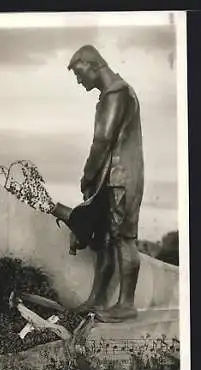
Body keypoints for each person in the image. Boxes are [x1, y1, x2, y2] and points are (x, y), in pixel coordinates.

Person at [67, 45, 144, 322]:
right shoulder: (114, 94)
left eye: (79, 73)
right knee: (107, 240)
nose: (79, 80)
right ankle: (96, 299)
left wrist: (88, 174)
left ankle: (126, 304)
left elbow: (103, 139)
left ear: (92, 64)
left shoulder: (117, 92)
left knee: (123, 239)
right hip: (111, 178)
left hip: (120, 178)